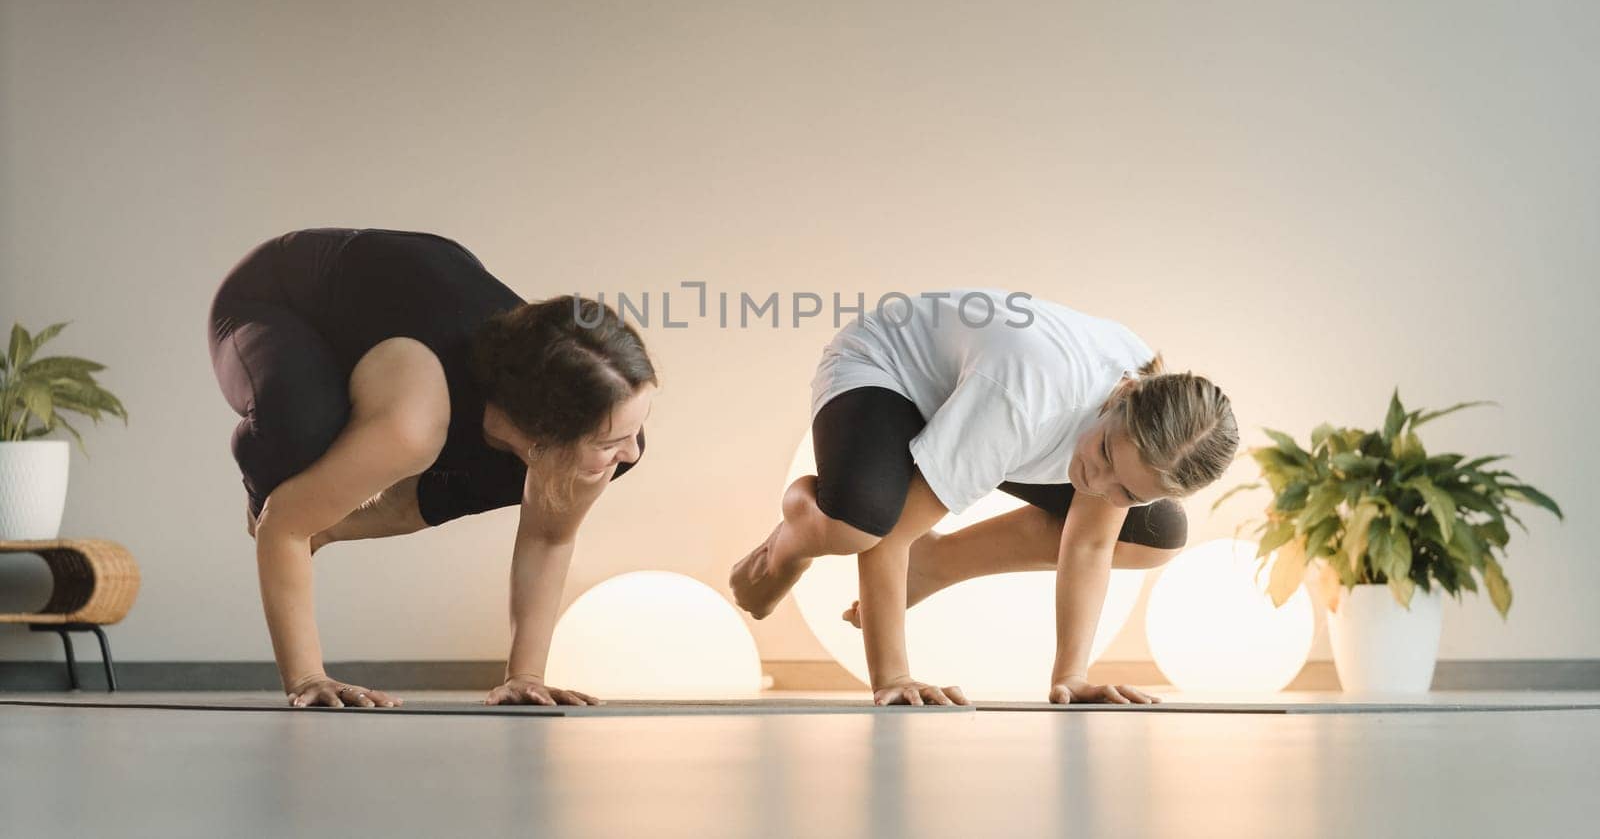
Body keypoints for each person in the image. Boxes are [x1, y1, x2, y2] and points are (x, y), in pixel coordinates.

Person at [207, 228, 655, 708]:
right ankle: (270, 460)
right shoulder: (412, 421)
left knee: (512, 475)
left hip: (420, 284)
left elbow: (550, 536)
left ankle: (321, 515)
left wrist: (526, 676)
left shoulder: (586, 425)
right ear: (542, 436)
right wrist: (307, 678)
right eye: (613, 440)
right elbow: (282, 528)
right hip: (277, 296)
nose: (631, 452)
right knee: (305, 431)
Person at [730, 290, 1236, 707]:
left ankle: (932, 562)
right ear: (1122, 393)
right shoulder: (1025, 399)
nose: (1098, 483)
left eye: (1126, 491)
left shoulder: (1134, 428)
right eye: (1104, 452)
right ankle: (802, 521)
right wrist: (894, 678)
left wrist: (1073, 678)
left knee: (1158, 534)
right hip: (888, 366)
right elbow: (886, 542)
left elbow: (1088, 546)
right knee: (862, 527)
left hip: (989, 398)